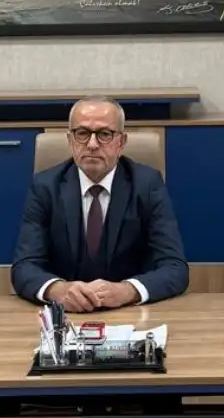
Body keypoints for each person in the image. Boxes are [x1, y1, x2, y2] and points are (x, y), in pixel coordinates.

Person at [11, 97, 188, 311]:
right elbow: (24, 266)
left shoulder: (147, 184)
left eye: (104, 134)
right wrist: (58, 290)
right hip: (65, 316)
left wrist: (127, 291)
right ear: (70, 141)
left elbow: (175, 267)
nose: (92, 144)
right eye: (82, 133)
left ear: (121, 143)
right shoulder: (45, 186)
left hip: (130, 313)